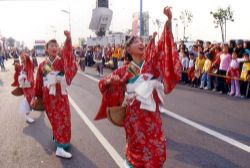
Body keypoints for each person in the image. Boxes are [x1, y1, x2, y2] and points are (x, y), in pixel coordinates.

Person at [95, 6, 182, 168]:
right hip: (134, 116)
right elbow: (102, 84)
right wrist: (109, 81)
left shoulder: (151, 64)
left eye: (141, 41)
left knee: (157, 147)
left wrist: (168, 22)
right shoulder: (123, 70)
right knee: (137, 148)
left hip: (152, 115)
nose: (141, 43)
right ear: (128, 49)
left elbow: (163, 47)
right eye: (136, 42)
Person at [31, 31, 77, 159]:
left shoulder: (62, 61)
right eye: (51, 46)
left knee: (64, 118)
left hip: (60, 94)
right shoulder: (43, 65)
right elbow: (38, 82)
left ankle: (60, 139)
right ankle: (60, 149)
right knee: (56, 119)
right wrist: (35, 96)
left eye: (56, 46)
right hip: (49, 96)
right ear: (46, 49)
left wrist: (68, 39)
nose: (54, 48)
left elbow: (69, 57)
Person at [12, 51, 35, 123]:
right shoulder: (21, 66)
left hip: (31, 86)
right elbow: (18, 73)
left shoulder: (30, 64)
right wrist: (16, 67)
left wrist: (26, 56)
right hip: (25, 87)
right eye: (21, 57)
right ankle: (27, 116)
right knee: (28, 100)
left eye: (24, 56)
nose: (22, 58)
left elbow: (29, 61)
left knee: (33, 98)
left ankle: (32, 109)